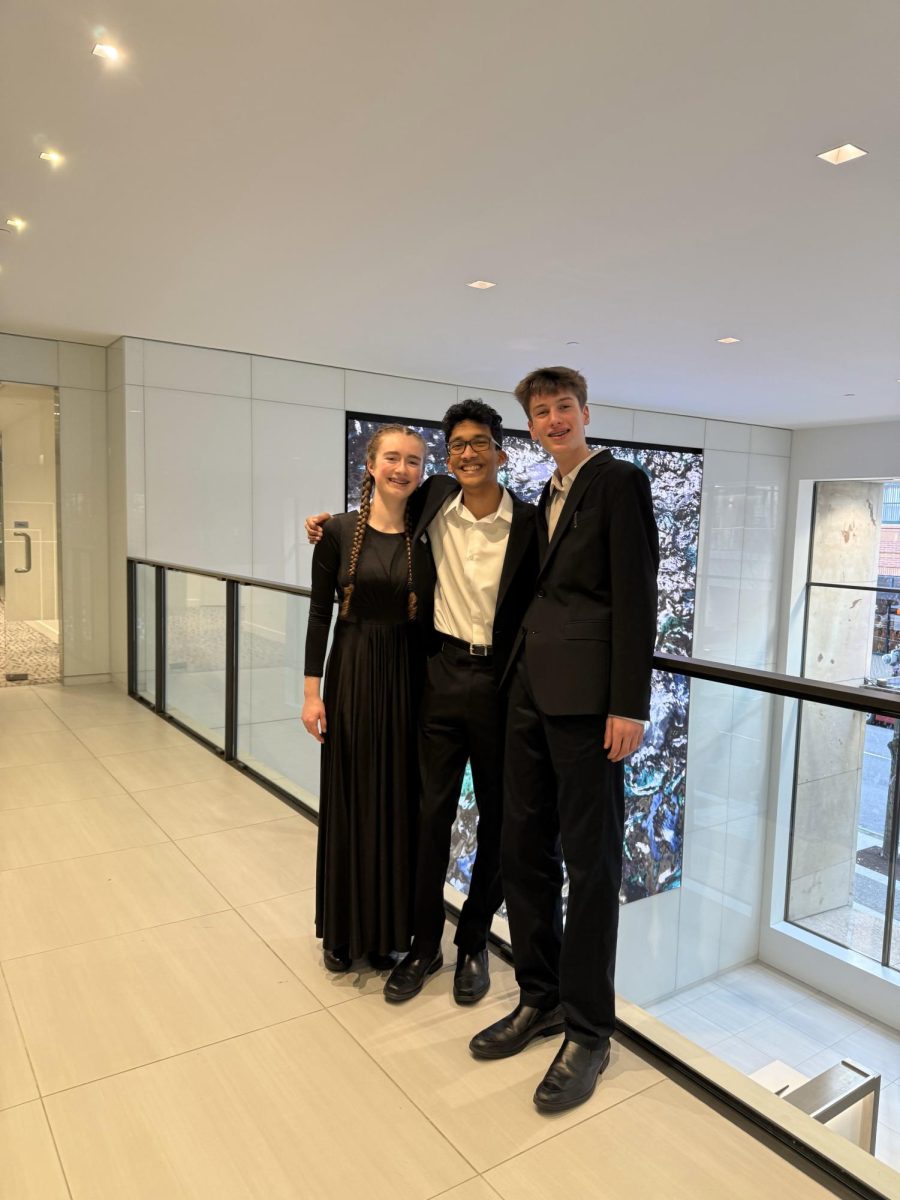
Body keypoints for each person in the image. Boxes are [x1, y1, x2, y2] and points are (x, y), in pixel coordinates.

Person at [469, 367, 660, 1115]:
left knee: (591, 862)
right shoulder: (541, 494)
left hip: (590, 709)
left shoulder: (618, 481)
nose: (553, 420)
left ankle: (588, 1031)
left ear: (586, 412)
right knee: (521, 849)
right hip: (527, 695)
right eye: (541, 412)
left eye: (563, 408)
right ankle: (539, 997)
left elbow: (637, 594)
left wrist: (628, 704)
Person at [306, 399, 537, 1004]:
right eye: (457, 445)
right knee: (427, 816)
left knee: (499, 821)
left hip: (501, 688)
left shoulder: (531, 525)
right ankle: (425, 944)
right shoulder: (436, 505)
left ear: (500, 451)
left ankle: (473, 944)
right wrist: (325, 524)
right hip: (436, 678)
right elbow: (368, 527)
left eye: (478, 444)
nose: (467, 454)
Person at [302, 424, 428, 973]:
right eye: (393, 458)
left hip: (408, 677)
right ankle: (344, 931)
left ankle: (386, 933)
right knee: (352, 796)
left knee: (399, 801)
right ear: (371, 465)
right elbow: (317, 614)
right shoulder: (337, 532)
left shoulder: (428, 529)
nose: (403, 469)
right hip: (351, 672)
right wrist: (312, 694)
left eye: (415, 461)